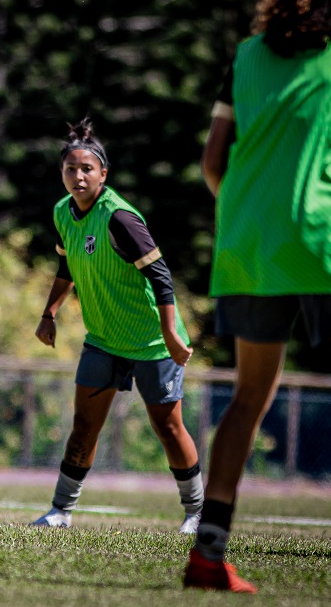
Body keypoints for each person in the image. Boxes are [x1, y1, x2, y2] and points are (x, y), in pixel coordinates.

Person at [183, 0, 331, 598]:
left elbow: (212, 160)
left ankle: (209, 553)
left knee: (249, 397)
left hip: (248, 248)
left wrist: (248, 215)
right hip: (327, 246)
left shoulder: (249, 55)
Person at [31, 118, 203, 534]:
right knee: (84, 426)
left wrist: (170, 334)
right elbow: (66, 264)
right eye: (70, 168)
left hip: (151, 342)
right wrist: (49, 313)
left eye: (87, 168)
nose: (78, 176)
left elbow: (161, 276)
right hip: (104, 339)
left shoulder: (120, 219)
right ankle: (60, 511)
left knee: (168, 426)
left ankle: (198, 513)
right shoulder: (62, 212)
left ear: (103, 173)